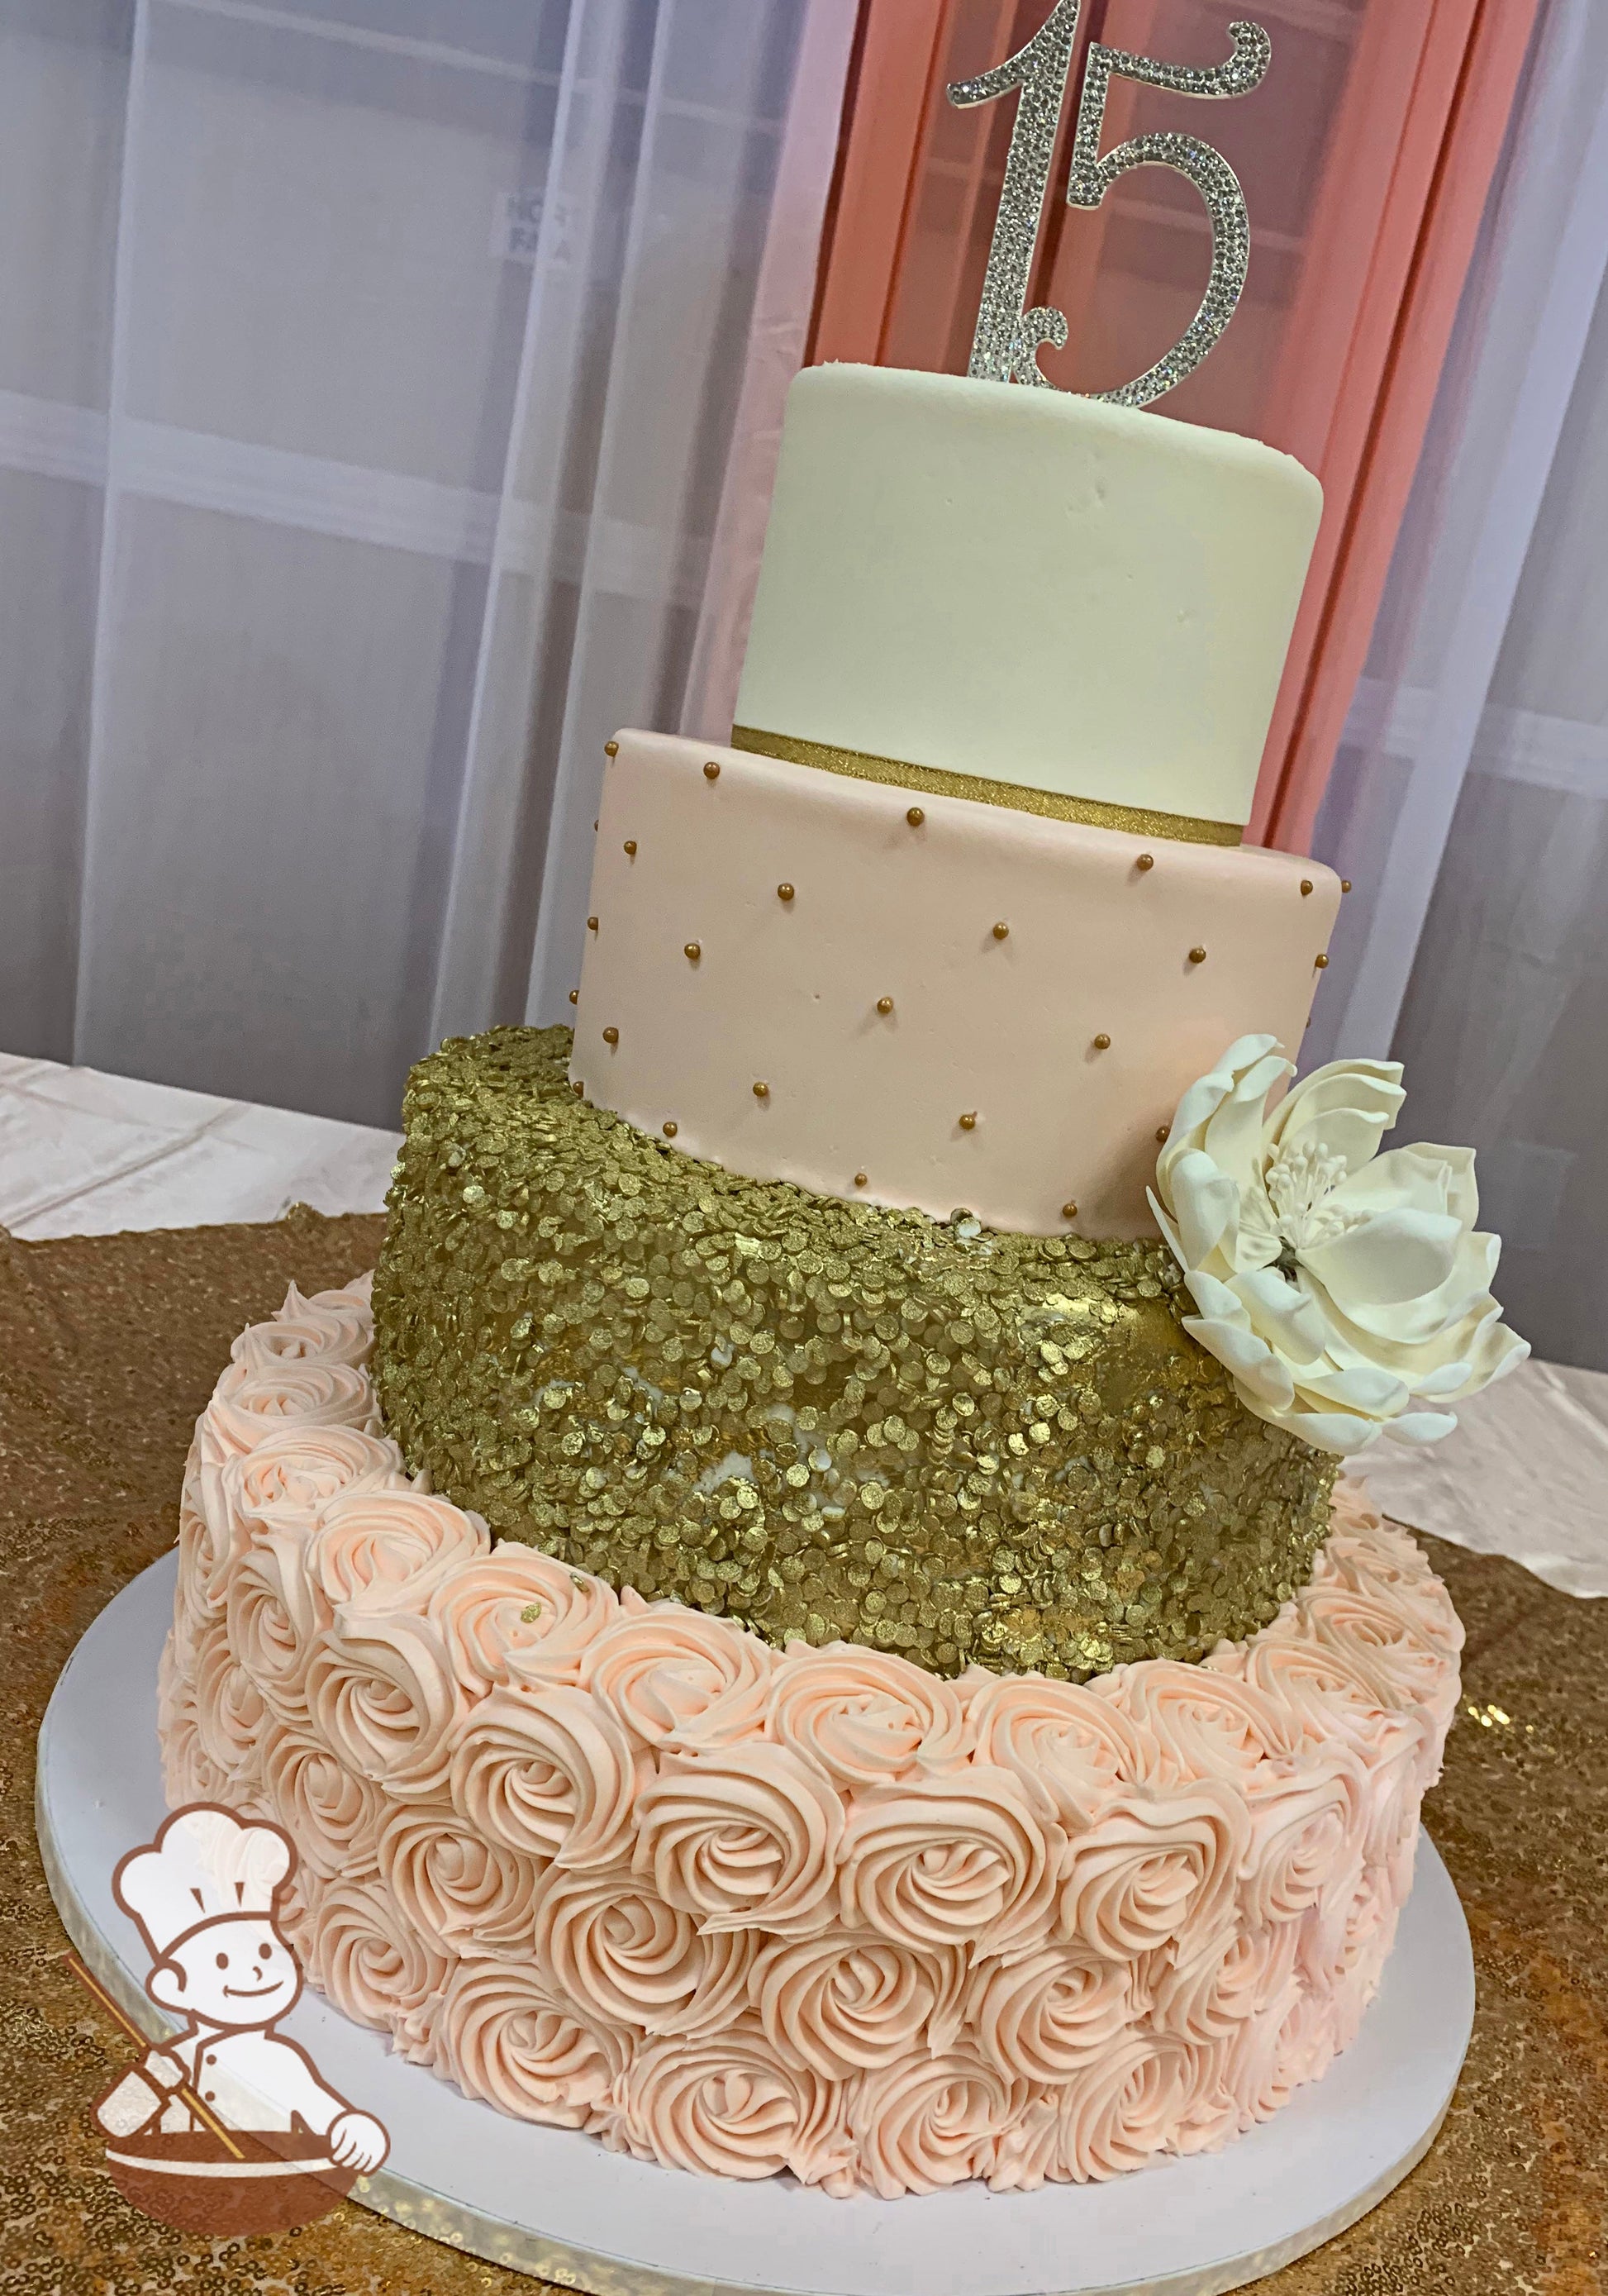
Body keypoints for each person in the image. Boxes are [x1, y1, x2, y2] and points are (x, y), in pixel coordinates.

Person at [94, 1803, 388, 2173]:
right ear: (174, 1987)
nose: (255, 1973)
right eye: (222, 1962)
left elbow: (324, 2111)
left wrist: (353, 2129)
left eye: (265, 1954)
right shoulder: (178, 2056)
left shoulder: (282, 2061)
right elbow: (118, 2115)